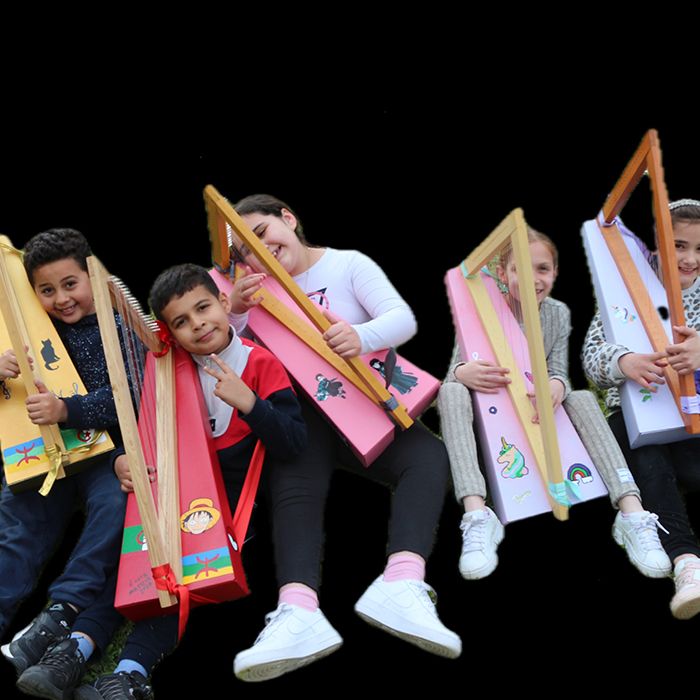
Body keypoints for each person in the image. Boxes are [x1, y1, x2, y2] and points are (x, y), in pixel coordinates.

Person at [227, 194, 459, 683]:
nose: (258, 251)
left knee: (429, 455)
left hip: (362, 410)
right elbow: (233, 357)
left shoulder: (347, 263)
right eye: (244, 250)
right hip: (302, 420)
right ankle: (298, 611)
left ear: (288, 218)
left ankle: (402, 583)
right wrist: (236, 313)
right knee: (294, 484)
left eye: (262, 233)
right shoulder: (250, 292)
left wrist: (361, 335)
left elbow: (401, 319)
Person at [75, 263, 307, 698]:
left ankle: (130, 672)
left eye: (203, 308)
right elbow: (141, 429)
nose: (197, 324)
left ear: (223, 303)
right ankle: (77, 645)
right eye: (181, 321)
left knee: (183, 572)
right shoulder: (167, 368)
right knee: (134, 558)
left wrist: (251, 404)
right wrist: (121, 459)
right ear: (170, 334)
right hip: (177, 486)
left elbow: (294, 442)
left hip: (233, 504)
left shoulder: (260, 363)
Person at [437, 226, 670, 581]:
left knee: (580, 397)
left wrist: (557, 385)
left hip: (534, 411)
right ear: (503, 274)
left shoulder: (557, 313)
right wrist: (462, 372)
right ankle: (477, 514)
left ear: (555, 272)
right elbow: (454, 372)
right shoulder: (481, 308)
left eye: (543, 269)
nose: (534, 279)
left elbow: (559, 369)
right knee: (449, 392)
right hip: (487, 417)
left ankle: (631, 511)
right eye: (521, 269)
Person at [0, 229, 131, 697]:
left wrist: (67, 410)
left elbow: (128, 397)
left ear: (92, 274)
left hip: (106, 452)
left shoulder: (119, 327)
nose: (61, 298)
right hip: (44, 453)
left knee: (115, 507)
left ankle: (61, 612)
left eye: (70, 284)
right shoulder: (29, 328)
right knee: (19, 527)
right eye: (47, 289)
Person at [583, 199, 700, 619]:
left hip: (690, 420)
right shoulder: (625, 287)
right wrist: (624, 361)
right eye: (679, 245)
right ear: (656, 244)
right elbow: (592, 355)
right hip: (633, 416)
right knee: (649, 462)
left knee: (691, 472)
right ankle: (687, 562)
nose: (689, 259)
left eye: (699, 249)